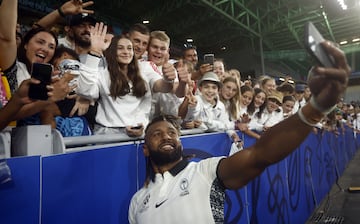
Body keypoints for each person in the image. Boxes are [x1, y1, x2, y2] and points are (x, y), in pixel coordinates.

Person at [128, 40, 350, 223]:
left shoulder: (206, 171)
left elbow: (261, 154)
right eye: (157, 134)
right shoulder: (137, 202)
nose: (166, 136)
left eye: (172, 132)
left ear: (181, 142)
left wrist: (317, 109)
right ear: (145, 149)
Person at [76, 23, 176, 137]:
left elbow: (162, 86)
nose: (126, 52)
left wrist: (168, 80)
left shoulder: (146, 67)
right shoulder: (102, 70)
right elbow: (86, 91)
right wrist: (94, 52)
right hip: (107, 134)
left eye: (129, 48)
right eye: (120, 48)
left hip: (139, 133)